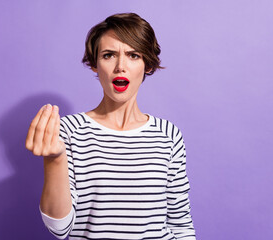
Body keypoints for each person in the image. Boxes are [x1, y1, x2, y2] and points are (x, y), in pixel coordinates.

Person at [26, 13, 196, 239]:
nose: (120, 67)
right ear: (95, 65)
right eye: (109, 55)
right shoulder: (69, 131)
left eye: (133, 55)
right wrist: (54, 159)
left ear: (147, 64)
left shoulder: (168, 135)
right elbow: (59, 229)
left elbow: (181, 224)